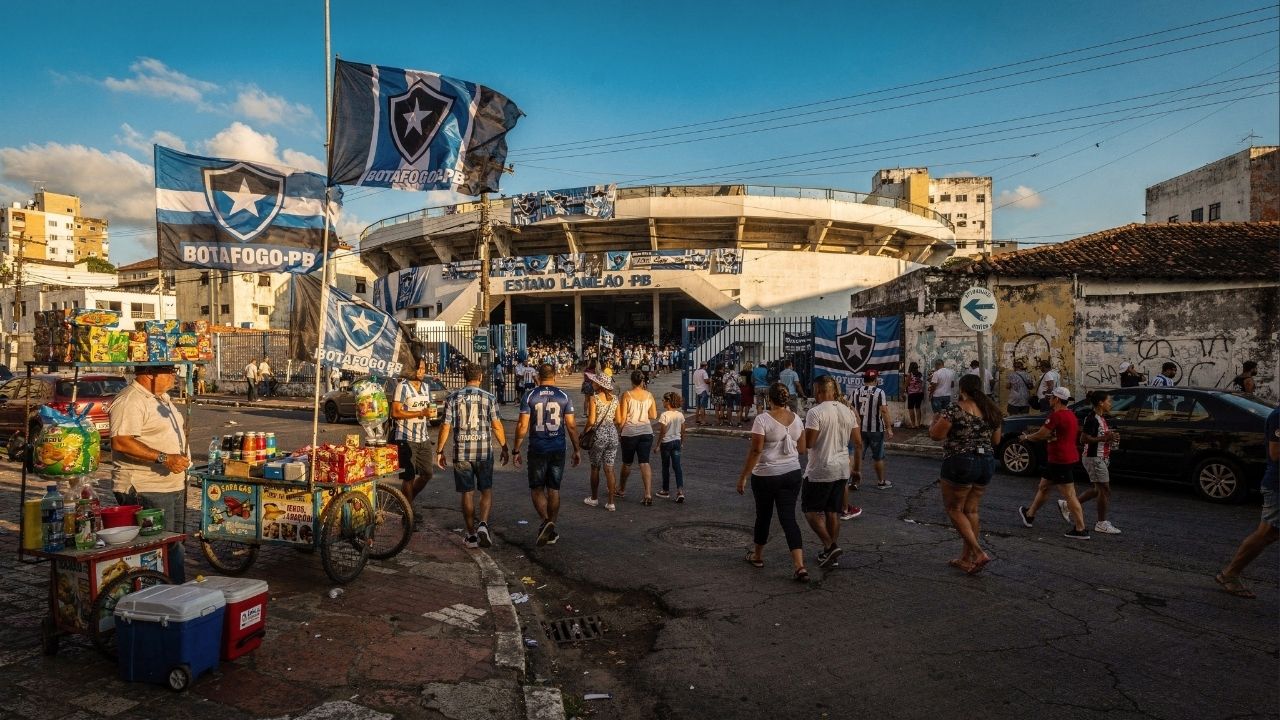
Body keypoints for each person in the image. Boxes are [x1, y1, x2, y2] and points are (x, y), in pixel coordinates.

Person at [110, 365, 191, 583]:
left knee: (174, 547)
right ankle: (159, 599)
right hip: (146, 487)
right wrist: (165, 458)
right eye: (169, 372)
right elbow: (121, 441)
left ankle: (176, 595)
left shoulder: (162, 398)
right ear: (148, 374)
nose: (174, 376)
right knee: (156, 551)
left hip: (172, 485)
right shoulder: (131, 400)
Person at [929, 373, 1002, 574]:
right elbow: (996, 441)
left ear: (961, 389)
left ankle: (978, 552)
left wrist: (933, 422)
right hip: (986, 462)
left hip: (960, 462)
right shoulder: (992, 410)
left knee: (954, 509)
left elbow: (936, 435)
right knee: (971, 511)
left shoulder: (955, 409)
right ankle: (966, 558)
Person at [737, 383, 809, 582]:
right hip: (792, 473)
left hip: (766, 475)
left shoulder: (762, 419)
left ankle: (758, 556)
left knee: (764, 516)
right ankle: (799, 565)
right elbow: (802, 449)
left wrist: (744, 476)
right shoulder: (796, 419)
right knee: (788, 519)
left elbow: (756, 451)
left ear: (770, 399)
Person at [436, 364, 510, 549]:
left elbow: (445, 426)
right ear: (480, 377)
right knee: (486, 490)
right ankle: (483, 524)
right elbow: (497, 425)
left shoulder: (453, 398)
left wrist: (439, 451)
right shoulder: (489, 398)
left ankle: (470, 535)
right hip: (484, 451)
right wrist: (505, 447)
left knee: (467, 493)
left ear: (464, 377)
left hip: (462, 452)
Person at [1214, 403, 1278, 598]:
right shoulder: (1279, 416)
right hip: (1278, 485)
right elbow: (1276, 453)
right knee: (1267, 533)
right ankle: (1230, 573)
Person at [513, 363, 580, 547]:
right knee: (554, 489)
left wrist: (516, 449)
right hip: (558, 447)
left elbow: (522, 426)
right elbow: (572, 426)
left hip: (538, 447)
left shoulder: (530, 395)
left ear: (538, 377)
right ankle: (551, 525)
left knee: (536, 488)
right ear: (555, 375)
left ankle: (545, 521)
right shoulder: (564, 396)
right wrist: (577, 449)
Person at [803, 375, 862, 570]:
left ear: (819, 390)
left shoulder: (815, 412)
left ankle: (830, 546)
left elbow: (809, 443)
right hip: (842, 468)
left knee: (810, 511)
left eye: (814, 390)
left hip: (820, 469)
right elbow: (858, 442)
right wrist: (857, 469)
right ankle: (831, 555)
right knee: (832, 512)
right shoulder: (848, 411)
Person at [1017, 386, 1090, 540]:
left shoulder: (1056, 416)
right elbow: (1057, 434)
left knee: (1069, 494)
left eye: (1050, 397)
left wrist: (1027, 438)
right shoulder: (1070, 414)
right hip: (1061, 457)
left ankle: (1080, 528)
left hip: (1060, 459)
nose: (1048, 399)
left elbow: (1042, 434)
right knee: (1043, 487)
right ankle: (1029, 515)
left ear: (1056, 399)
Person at [1061, 390, 1121, 535]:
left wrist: (1109, 436)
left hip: (1101, 457)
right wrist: (1104, 439)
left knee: (1097, 490)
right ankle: (1101, 523)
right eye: (1108, 401)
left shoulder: (1101, 418)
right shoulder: (1092, 418)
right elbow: (1084, 439)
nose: (1110, 403)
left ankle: (1068, 505)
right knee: (1104, 490)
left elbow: (1097, 435)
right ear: (1101, 402)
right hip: (1094, 458)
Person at [391, 360, 435, 522]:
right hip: (405, 438)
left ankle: (405, 503)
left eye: (424, 368)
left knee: (427, 473)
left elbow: (428, 408)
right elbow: (395, 413)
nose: (422, 371)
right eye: (419, 368)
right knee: (408, 477)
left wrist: (430, 413)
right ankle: (408, 517)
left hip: (423, 438)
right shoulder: (402, 387)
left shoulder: (426, 387)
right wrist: (420, 413)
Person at [617, 371, 658, 504]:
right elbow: (653, 415)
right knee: (644, 462)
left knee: (627, 462)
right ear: (642, 381)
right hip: (646, 431)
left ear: (631, 381)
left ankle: (622, 489)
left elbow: (622, 418)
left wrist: (619, 431)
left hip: (630, 431)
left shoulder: (627, 395)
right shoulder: (649, 395)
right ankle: (647, 494)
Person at [583, 372, 621, 511]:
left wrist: (584, 432)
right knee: (609, 469)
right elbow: (619, 420)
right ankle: (611, 502)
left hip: (599, 435)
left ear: (599, 384)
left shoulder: (594, 399)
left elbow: (591, 420)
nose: (592, 383)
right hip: (612, 434)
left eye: (594, 381)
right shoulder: (615, 399)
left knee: (595, 467)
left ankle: (594, 498)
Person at [854, 369, 894, 490]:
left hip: (859, 429)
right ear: (875, 380)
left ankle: (854, 482)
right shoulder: (879, 392)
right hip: (875, 429)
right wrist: (889, 428)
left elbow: (850, 408)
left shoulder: (856, 392)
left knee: (858, 455)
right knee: (878, 457)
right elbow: (884, 410)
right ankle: (881, 481)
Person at [656, 392, 686, 501]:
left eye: (663, 401)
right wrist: (682, 442)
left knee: (665, 466)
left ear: (668, 402)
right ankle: (680, 491)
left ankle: (665, 490)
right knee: (677, 467)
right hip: (677, 442)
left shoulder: (664, 415)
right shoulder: (680, 415)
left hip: (666, 443)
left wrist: (658, 445)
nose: (663, 402)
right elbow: (683, 430)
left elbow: (663, 431)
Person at [905, 361, 925, 428]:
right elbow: (921, 382)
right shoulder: (920, 374)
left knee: (911, 409)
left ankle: (913, 425)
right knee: (918, 408)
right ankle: (918, 424)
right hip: (919, 393)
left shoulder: (910, 374)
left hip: (912, 394)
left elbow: (907, 384)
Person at [692, 361, 711, 426]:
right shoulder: (704, 372)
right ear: (705, 366)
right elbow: (706, 381)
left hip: (697, 390)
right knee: (702, 407)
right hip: (703, 390)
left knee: (698, 407)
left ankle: (697, 419)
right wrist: (710, 380)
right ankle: (703, 421)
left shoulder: (696, 371)